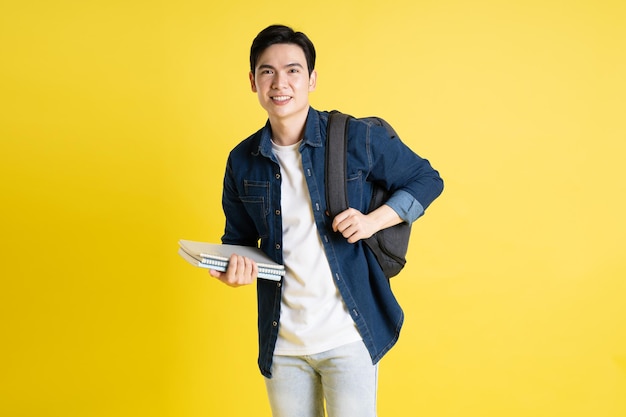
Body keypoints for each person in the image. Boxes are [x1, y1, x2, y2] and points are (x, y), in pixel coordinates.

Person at [210, 24, 443, 417]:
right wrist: (231, 267)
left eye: (293, 70)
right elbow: (239, 240)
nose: (280, 82)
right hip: (281, 343)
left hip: (348, 337)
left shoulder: (354, 137)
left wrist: (372, 222)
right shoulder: (242, 160)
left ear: (312, 79)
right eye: (267, 71)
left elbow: (426, 179)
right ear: (253, 81)